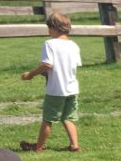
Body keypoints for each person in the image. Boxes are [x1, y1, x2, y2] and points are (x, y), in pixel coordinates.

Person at [20, 12, 82, 153]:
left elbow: (48, 65)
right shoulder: (73, 45)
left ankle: (38, 147)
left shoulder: (49, 44)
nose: (48, 31)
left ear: (53, 28)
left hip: (56, 90)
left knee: (48, 119)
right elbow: (68, 66)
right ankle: (74, 146)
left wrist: (31, 74)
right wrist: (45, 73)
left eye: (49, 28)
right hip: (72, 89)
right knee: (67, 118)